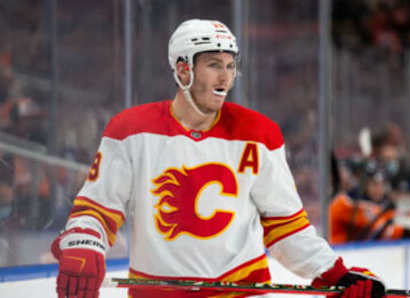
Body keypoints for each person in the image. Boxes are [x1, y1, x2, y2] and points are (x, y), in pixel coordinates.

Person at [50, 19, 385, 298]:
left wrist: (336, 273)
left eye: (230, 66)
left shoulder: (259, 133)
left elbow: (286, 227)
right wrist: (84, 242)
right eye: (213, 65)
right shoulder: (130, 130)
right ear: (183, 71)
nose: (226, 77)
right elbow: (96, 208)